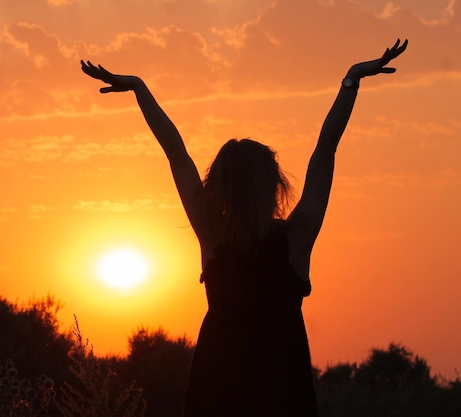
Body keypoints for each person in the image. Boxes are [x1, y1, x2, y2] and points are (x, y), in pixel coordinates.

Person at [81, 39, 408, 416]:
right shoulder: (295, 238)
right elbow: (325, 151)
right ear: (273, 184)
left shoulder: (213, 235)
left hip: (216, 392)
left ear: (218, 184)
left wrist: (140, 88)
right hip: (284, 395)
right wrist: (350, 81)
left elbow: (176, 153)